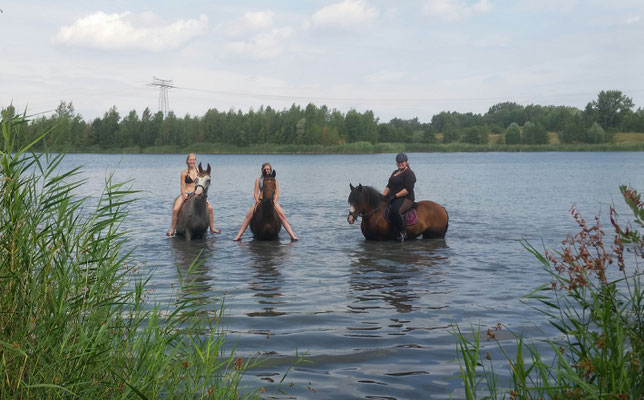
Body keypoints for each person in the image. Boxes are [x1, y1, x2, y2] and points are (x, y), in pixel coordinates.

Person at [233, 162, 298, 241]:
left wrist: (274, 201)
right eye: (265, 169)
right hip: (260, 200)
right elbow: (255, 193)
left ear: (270, 170)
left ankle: (292, 235)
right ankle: (239, 235)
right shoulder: (258, 180)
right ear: (262, 170)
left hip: (272, 201)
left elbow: (277, 193)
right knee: (248, 215)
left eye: (268, 169)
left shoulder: (274, 180)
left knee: (282, 215)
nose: (267, 170)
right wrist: (257, 201)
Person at [166, 153, 220, 236]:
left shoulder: (199, 171)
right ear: (187, 161)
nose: (192, 161)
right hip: (187, 193)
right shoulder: (184, 172)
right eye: (190, 160)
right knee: (175, 209)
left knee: (211, 209)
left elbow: (204, 182)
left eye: (193, 159)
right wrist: (184, 195)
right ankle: (172, 230)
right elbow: (181, 185)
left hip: (197, 193)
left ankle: (212, 228)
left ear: (195, 160)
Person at [383, 152, 416, 241]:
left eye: (402, 162)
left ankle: (403, 232)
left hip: (406, 198)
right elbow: (388, 185)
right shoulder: (395, 172)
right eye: (398, 162)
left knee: (395, 210)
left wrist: (395, 196)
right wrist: (383, 196)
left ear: (406, 162)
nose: (400, 163)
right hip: (393, 197)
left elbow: (407, 189)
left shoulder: (409, 173)